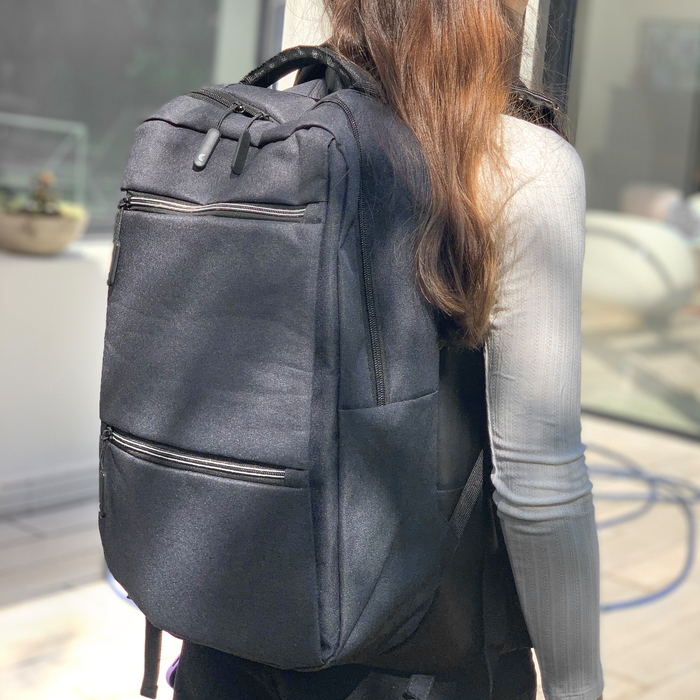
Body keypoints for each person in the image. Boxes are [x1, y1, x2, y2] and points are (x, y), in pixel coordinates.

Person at [172, 0, 603, 698]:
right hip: (413, 660)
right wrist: (578, 686)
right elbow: (539, 480)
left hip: (226, 630)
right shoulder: (518, 161)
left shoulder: (265, 132)